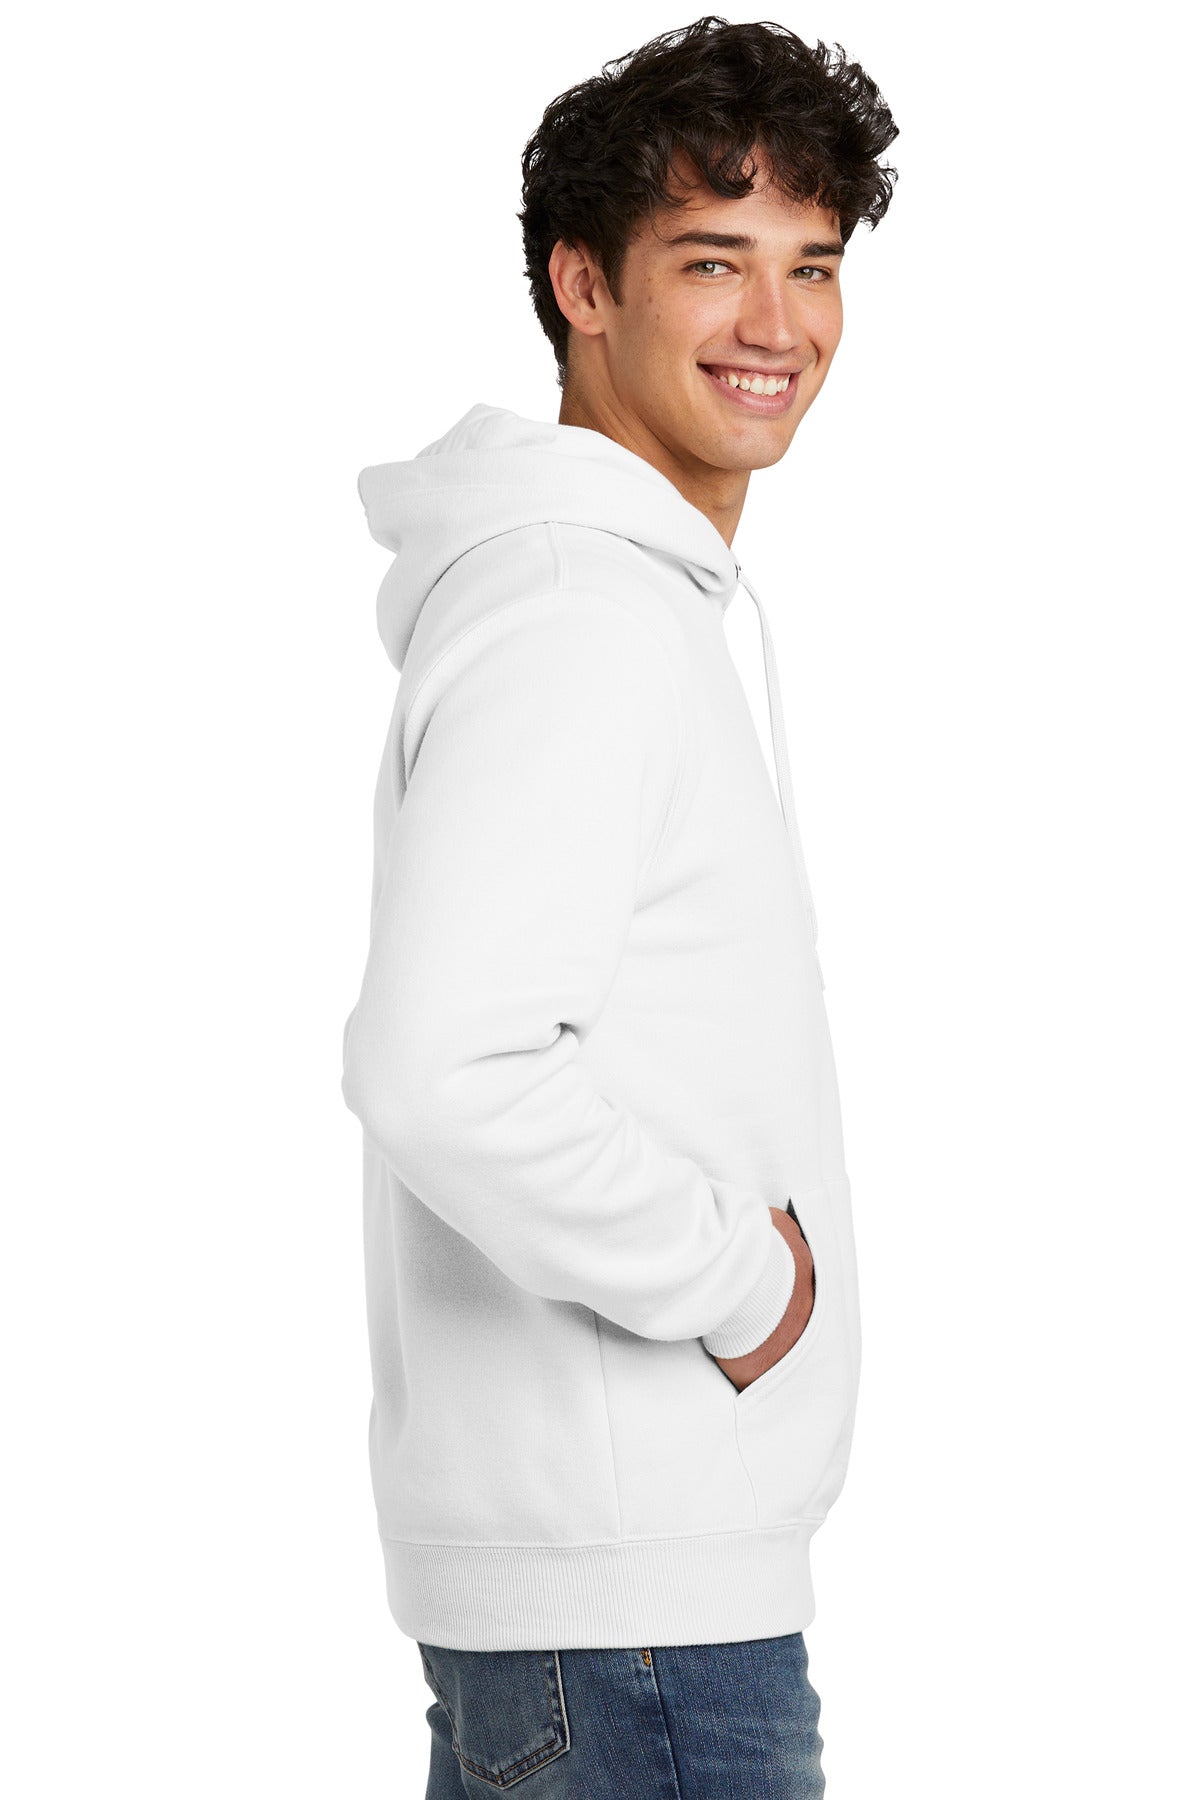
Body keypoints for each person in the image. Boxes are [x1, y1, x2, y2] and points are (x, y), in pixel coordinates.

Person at [341, 17, 898, 1795]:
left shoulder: (612, 600)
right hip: (639, 1627)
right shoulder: (579, 614)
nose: (778, 325)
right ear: (583, 285)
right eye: (714, 262)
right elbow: (440, 1067)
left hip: (613, 1613)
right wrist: (742, 1287)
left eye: (814, 265)